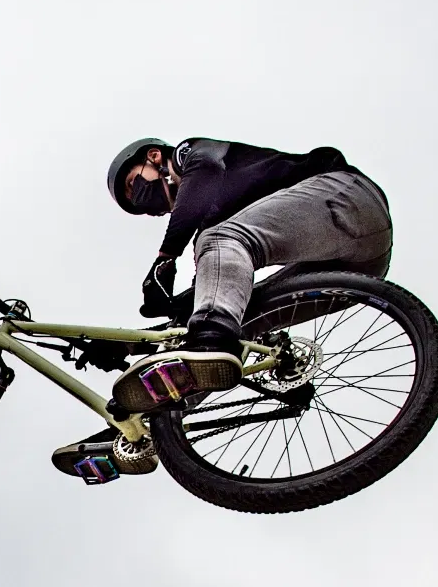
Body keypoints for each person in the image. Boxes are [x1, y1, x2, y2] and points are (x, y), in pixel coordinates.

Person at [57, 136, 393, 469]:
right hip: (361, 265)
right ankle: (136, 427)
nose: (142, 202)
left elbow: (203, 175)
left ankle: (209, 345)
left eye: (134, 184)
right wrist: (127, 347)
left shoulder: (190, 156)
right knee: (232, 321)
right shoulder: (213, 218)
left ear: (155, 157)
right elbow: (209, 300)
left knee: (216, 256)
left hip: (345, 199)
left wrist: (164, 259)